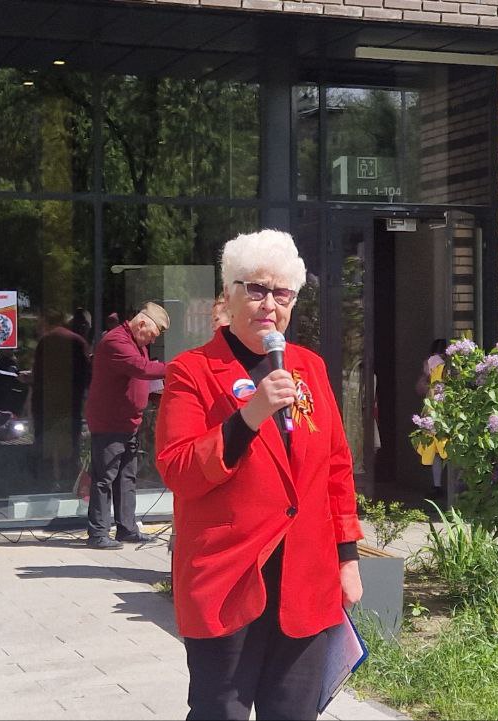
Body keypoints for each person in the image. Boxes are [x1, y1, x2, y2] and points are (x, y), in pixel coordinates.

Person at [155, 229, 364, 721]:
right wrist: (249, 416)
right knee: (219, 712)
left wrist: (347, 558)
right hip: (228, 578)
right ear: (228, 295)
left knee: (294, 713)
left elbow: (336, 468)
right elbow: (179, 469)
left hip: (306, 579)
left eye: (282, 293)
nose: (269, 304)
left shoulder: (309, 368)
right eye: (256, 289)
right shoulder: (191, 371)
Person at [83, 301, 170, 549]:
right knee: (104, 478)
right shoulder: (116, 341)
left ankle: (127, 528)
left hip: (129, 421)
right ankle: (98, 533)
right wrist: (176, 368)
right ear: (141, 324)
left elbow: (140, 376)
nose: (152, 340)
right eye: (152, 334)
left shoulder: (136, 343)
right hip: (109, 422)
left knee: (126, 477)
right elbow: (141, 369)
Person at [33, 309, 92, 484]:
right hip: (69, 405)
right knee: (69, 449)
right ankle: (69, 485)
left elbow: (38, 374)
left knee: (45, 449)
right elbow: (86, 376)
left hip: (46, 405)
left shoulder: (46, 340)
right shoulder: (78, 341)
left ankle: (44, 484)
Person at [415, 338, 450, 499]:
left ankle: (437, 485)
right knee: (445, 447)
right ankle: (448, 486)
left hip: (433, 411)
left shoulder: (430, 364)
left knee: (435, 449)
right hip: (445, 410)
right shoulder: (448, 366)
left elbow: (420, 389)